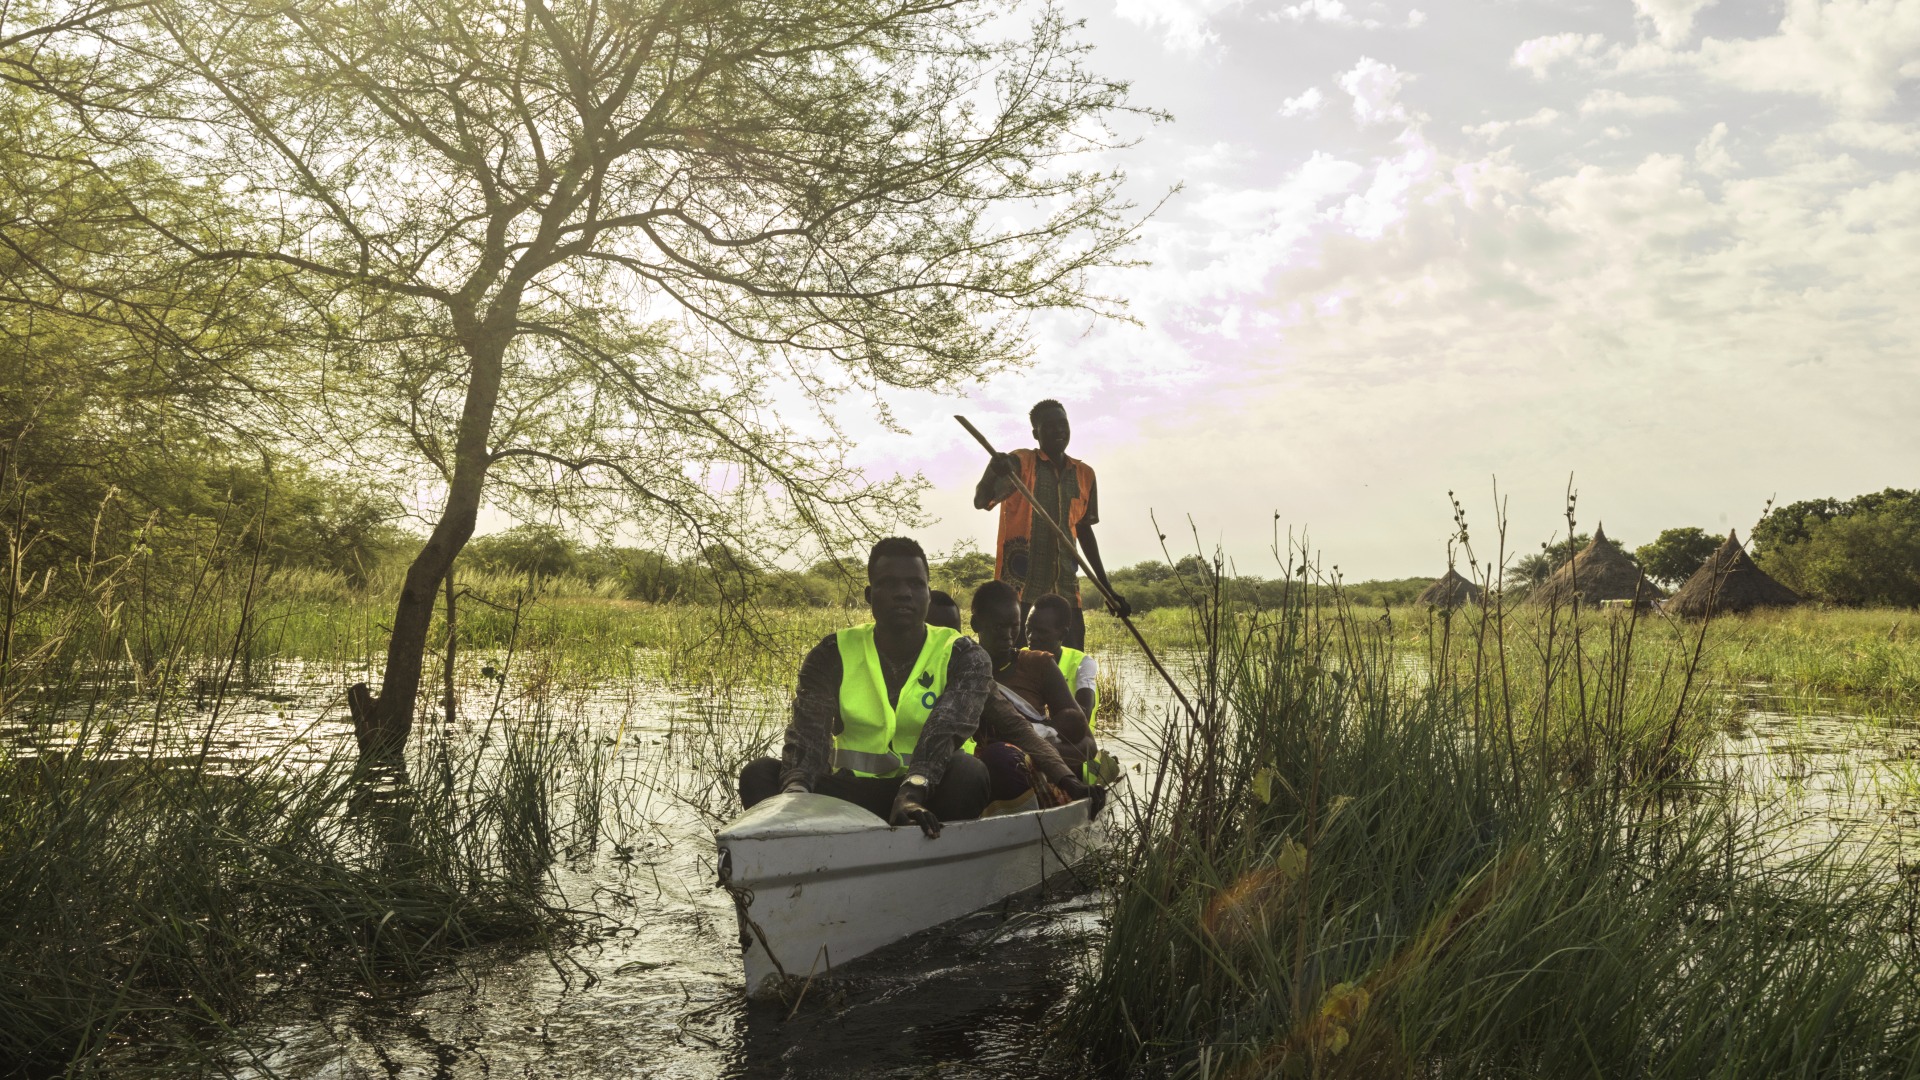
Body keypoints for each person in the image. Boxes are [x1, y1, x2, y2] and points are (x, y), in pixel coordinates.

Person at [737, 538, 992, 837]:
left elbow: (945, 730)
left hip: (924, 792)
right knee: (759, 774)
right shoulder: (832, 652)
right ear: (870, 596)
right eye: (889, 584)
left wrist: (912, 792)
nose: (903, 594)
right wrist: (797, 794)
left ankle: (933, 859)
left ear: (927, 593)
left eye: (914, 584)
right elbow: (808, 734)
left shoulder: (964, 655)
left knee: (969, 773)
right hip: (850, 793)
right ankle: (802, 858)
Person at [972, 399, 1128, 651]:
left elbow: (1084, 531)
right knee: (1014, 666)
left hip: (1066, 590)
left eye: (1063, 424)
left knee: (1071, 664)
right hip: (1019, 594)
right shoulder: (1019, 463)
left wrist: (1107, 590)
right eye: (1050, 426)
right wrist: (994, 470)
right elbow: (981, 500)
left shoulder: (1085, 474)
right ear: (1036, 433)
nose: (1059, 431)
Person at [969, 580, 1098, 784]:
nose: (1008, 636)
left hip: (1034, 780)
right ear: (975, 624)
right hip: (974, 778)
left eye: (1014, 626)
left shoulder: (1039, 664)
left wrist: (1029, 754)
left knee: (1002, 758)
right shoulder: (959, 669)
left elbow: (1088, 745)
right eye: (998, 626)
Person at [1026, 592, 1105, 783]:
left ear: (1063, 634)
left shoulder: (1082, 663)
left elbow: (1083, 715)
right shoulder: (1021, 658)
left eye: (1041, 632)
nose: (1031, 637)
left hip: (1076, 755)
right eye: (1028, 629)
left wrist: (1039, 733)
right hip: (1034, 745)